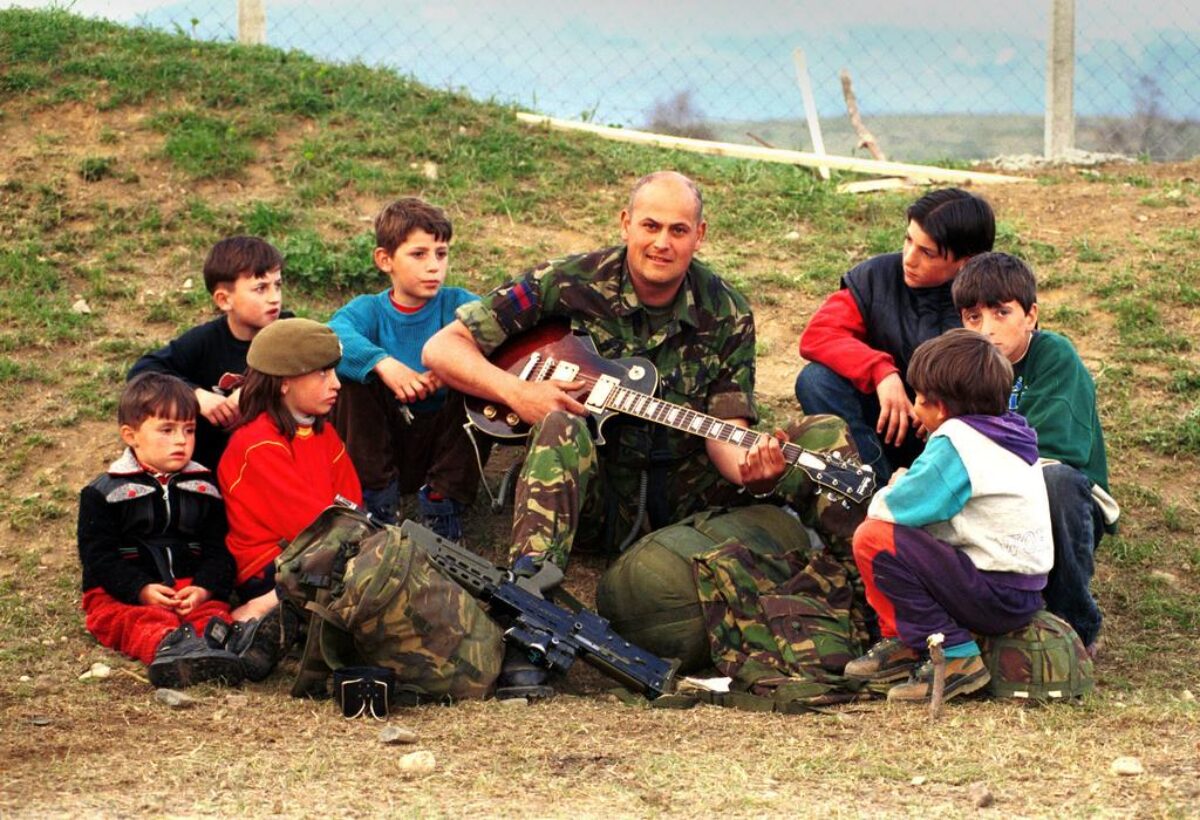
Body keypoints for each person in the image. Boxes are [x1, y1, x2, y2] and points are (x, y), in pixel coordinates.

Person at [423, 169, 860, 575]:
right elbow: (443, 348)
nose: (662, 243)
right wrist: (517, 393)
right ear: (626, 223)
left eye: (678, 230)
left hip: (690, 498)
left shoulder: (727, 310)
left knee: (822, 434)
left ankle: (870, 580)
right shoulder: (566, 281)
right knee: (559, 425)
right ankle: (529, 589)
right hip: (594, 493)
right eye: (650, 226)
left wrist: (752, 473)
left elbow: (727, 427)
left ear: (699, 235)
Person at [846, 329, 1052, 703]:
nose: (915, 408)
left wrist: (898, 482)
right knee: (905, 540)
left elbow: (893, 510)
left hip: (992, 592)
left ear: (939, 408)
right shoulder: (1009, 433)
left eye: (919, 400)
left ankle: (952, 656)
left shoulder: (958, 438)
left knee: (872, 538)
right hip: (1023, 591)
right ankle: (913, 642)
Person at [952, 252, 1117, 653]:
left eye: (1001, 313)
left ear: (1031, 315)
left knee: (1055, 480)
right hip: (987, 501)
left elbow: (1055, 449)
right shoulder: (959, 365)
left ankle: (1075, 626)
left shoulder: (1053, 356)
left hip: (1056, 501)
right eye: (974, 317)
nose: (987, 329)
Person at [795, 188, 995, 483]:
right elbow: (819, 335)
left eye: (927, 252)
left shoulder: (995, 299)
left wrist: (946, 412)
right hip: (887, 423)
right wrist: (881, 372)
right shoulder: (876, 278)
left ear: (965, 261)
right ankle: (870, 487)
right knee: (816, 381)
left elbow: (1006, 381)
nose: (909, 258)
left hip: (955, 439)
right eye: (908, 240)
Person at [77, 373, 263, 688]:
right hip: (124, 592)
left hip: (188, 588)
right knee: (140, 621)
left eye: (189, 430)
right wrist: (140, 589)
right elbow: (98, 557)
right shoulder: (103, 492)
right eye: (166, 430)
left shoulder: (205, 488)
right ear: (130, 434)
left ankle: (229, 649)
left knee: (213, 614)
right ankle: (171, 650)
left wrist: (204, 588)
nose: (181, 440)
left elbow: (219, 550)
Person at [328, 197, 485, 540]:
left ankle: (443, 502)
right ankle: (377, 500)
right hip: (383, 446)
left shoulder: (458, 303)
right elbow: (332, 334)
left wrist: (452, 368)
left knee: (478, 385)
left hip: (442, 445)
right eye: (419, 254)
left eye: (441, 254)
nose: (434, 267)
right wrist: (383, 364)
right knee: (352, 378)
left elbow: (498, 327)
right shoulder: (369, 310)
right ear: (385, 260)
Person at [218, 318, 362, 659]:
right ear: (284, 383)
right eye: (323, 374)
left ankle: (291, 621)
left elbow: (352, 504)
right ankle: (264, 609)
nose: (337, 384)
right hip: (272, 566)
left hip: (323, 552)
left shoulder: (324, 434)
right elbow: (310, 527)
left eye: (334, 372)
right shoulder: (256, 443)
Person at [128, 236, 286, 472]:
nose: (274, 297)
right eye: (260, 288)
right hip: (211, 467)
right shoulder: (204, 341)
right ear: (224, 300)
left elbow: (315, 368)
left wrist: (252, 392)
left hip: (276, 456)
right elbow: (142, 371)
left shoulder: (289, 331)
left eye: (278, 285)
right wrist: (198, 396)